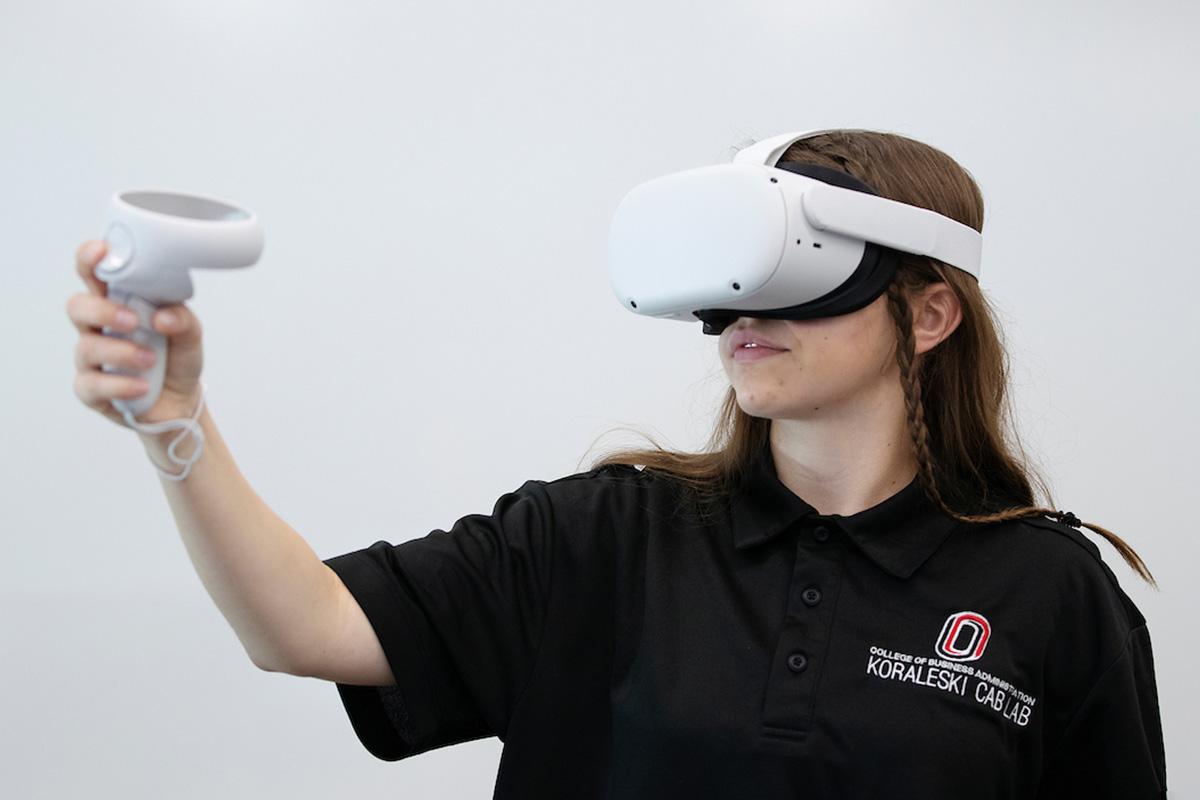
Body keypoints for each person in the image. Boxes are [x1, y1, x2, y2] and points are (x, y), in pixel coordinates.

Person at [67, 129, 1167, 798]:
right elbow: (299, 625)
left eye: (800, 265)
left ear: (929, 312)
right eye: (729, 271)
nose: (742, 310)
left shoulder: (1053, 597)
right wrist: (179, 419)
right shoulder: (608, 535)